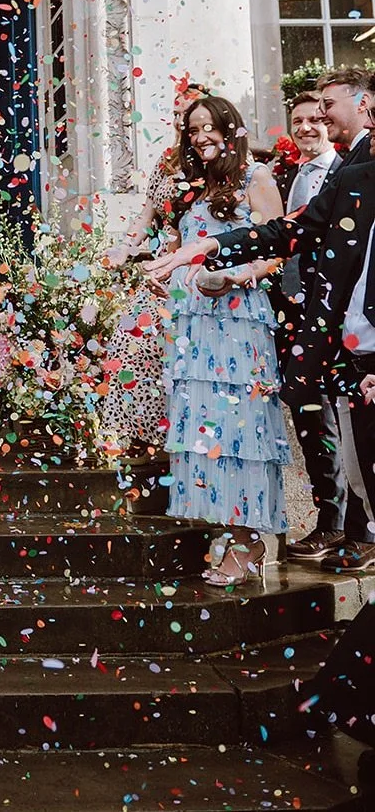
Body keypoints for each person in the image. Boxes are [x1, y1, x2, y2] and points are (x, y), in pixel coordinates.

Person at [146, 131, 375, 574]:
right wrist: (209, 247)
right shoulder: (357, 180)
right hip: (358, 365)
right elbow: (289, 231)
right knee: (365, 479)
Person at [147, 95, 291, 585]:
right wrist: (163, 270)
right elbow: (185, 251)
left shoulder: (259, 178)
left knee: (241, 425)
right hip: (195, 324)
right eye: (193, 129)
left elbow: (278, 248)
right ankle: (228, 527)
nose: (201, 136)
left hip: (239, 320)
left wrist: (236, 277)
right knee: (206, 425)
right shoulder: (197, 188)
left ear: (232, 130)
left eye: (210, 127)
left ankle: (251, 538)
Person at [272, 92, 368, 563]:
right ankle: (329, 521)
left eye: (316, 118)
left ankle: (355, 529)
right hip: (296, 316)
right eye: (298, 121)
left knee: (346, 425)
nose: (308, 127)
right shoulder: (287, 175)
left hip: (341, 319)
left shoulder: (349, 171)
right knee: (311, 419)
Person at [101, 78, 207, 457]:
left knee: (183, 356)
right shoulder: (167, 160)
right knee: (130, 342)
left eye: (188, 115)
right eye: (177, 115)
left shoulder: (216, 163)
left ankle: (189, 439)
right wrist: (125, 246)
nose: (180, 123)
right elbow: (147, 214)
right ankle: (149, 438)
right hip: (159, 270)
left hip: (196, 270)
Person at [316, 65, 373, 167]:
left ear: (361, 103)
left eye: (328, 104)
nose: (319, 115)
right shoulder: (359, 152)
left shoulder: (370, 154)